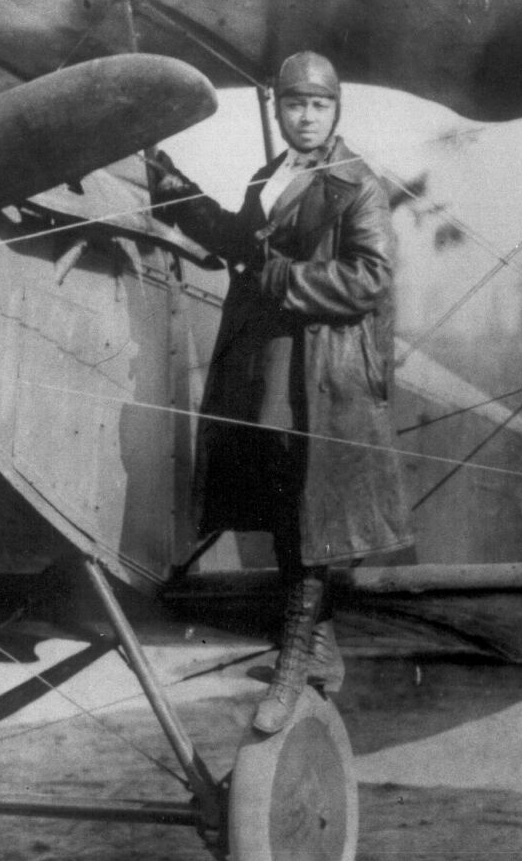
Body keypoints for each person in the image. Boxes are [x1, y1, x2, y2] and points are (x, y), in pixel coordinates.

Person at [149, 51, 413, 733]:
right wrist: (175, 190)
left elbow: (371, 278)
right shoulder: (272, 176)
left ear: (335, 111)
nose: (304, 116)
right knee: (279, 495)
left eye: (317, 105)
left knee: (307, 511)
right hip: (268, 363)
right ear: (279, 110)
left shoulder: (357, 185)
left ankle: (296, 658)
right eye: (293, 104)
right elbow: (242, 242)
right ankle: (318, 648)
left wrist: (284, 281)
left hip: (319, 372)